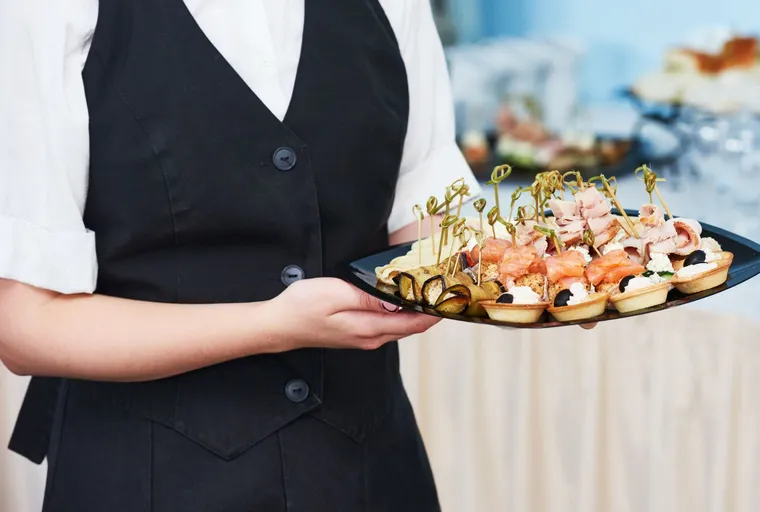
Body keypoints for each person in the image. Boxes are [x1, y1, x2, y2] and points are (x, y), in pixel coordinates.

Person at [0, 0, 480, 509]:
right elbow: (25, 324)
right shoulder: (52, 11)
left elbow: (427, 218)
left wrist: (559, 252)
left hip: (365, 469)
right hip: (149, 477)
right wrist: (273, 324)